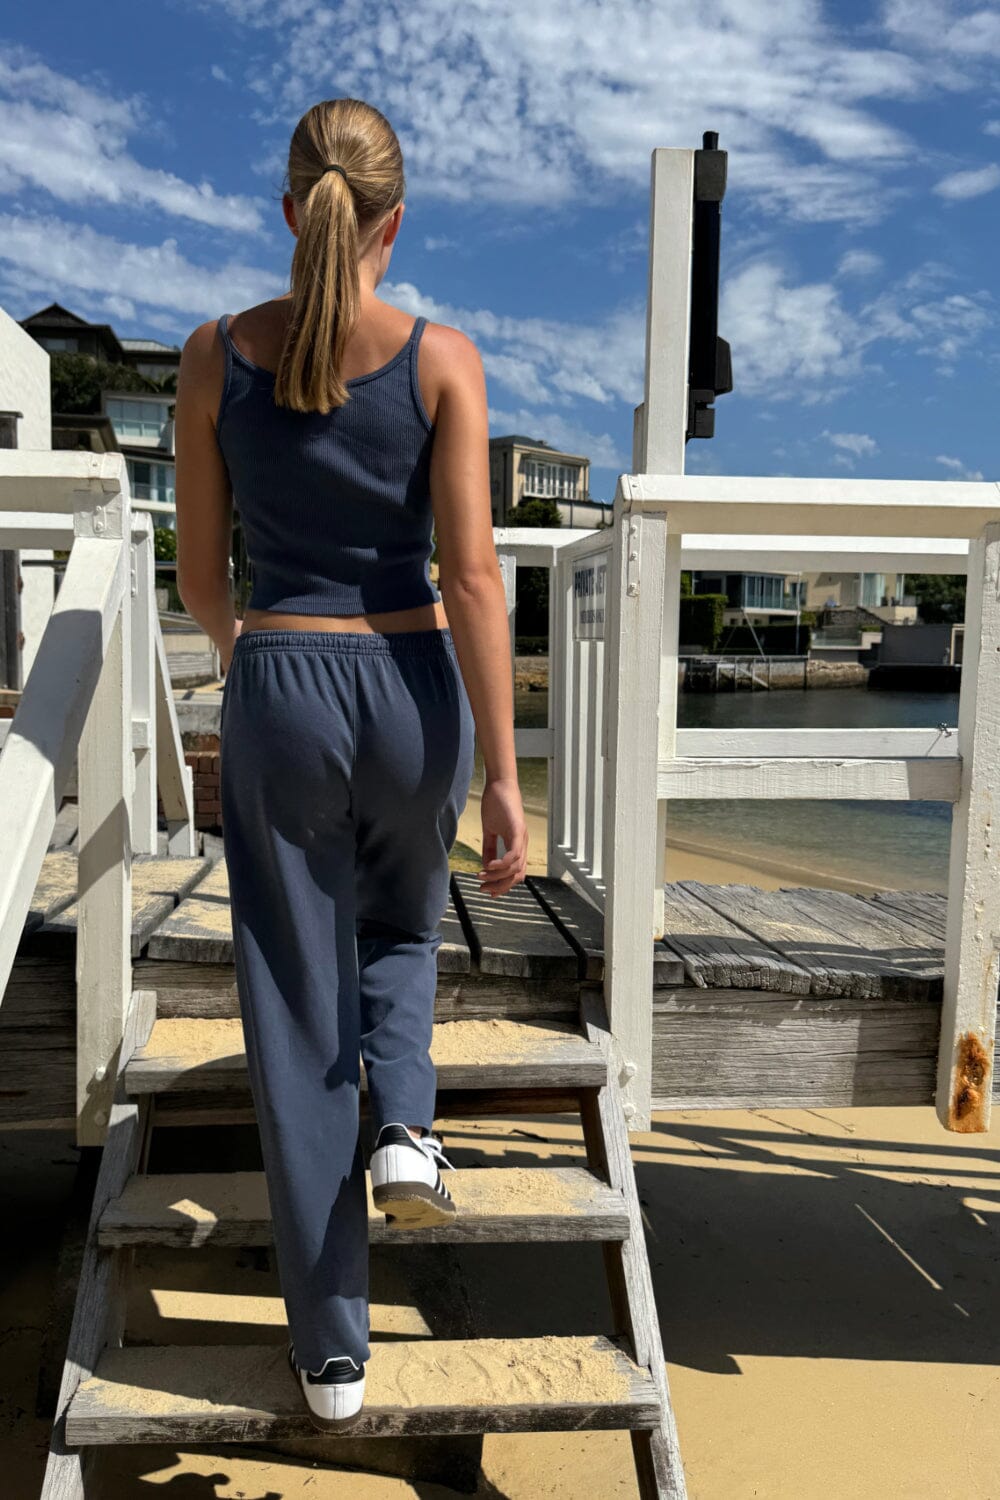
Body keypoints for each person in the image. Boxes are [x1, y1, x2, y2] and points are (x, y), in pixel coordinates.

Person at [173, 96, 529, 1432]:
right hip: (413, 688)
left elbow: (201, 577)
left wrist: (259, 659)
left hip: (283, 678)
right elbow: (473, 579)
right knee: (404, 926)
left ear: (290, 210)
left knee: (295, 1002)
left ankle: (333, 1354)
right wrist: (503, 773)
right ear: (396, 221)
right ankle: (408, 1130)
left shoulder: (214, 357)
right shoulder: (444, 362)